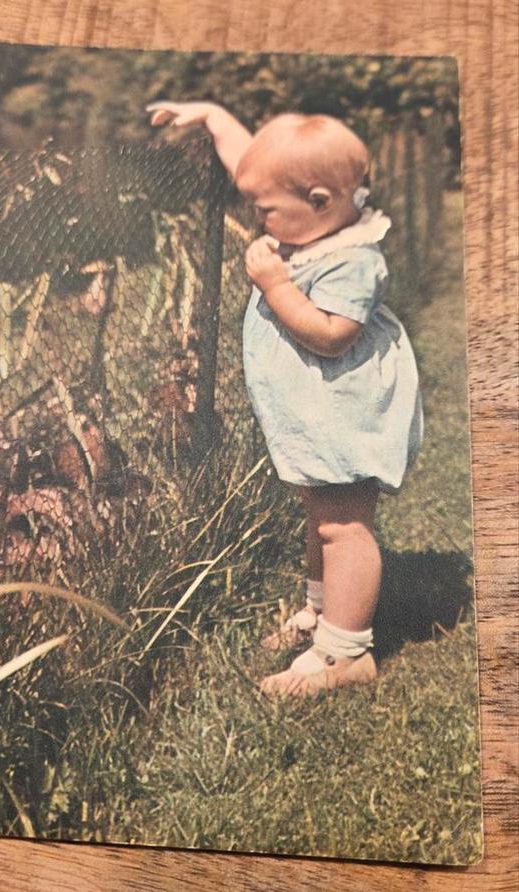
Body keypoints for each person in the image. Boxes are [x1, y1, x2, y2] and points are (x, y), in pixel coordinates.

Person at [147, 101, 423, 696]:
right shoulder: (316, 217)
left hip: (344, 411)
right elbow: (255, 167)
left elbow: (331, 335)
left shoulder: (353, 258)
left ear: (319, 199)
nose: (257, 216)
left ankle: (346, 653)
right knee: (322, 516)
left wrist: (274, 284)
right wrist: (213, 117)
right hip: (316, 410)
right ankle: (324, 611)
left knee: (344, 526)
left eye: (266, 209)